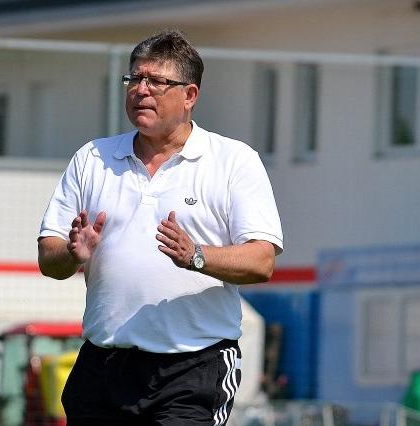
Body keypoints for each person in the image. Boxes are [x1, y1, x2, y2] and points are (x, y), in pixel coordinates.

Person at [38, 29, 283, 426]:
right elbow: (48, 258)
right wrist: (71, 253)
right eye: (134, 78)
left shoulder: (233, 161)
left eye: (156, 81)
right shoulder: (92, 158)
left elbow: (262, 261)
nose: (141, 90)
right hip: (104, 364)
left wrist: (197, 256)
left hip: (192, 367)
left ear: (189, 95)